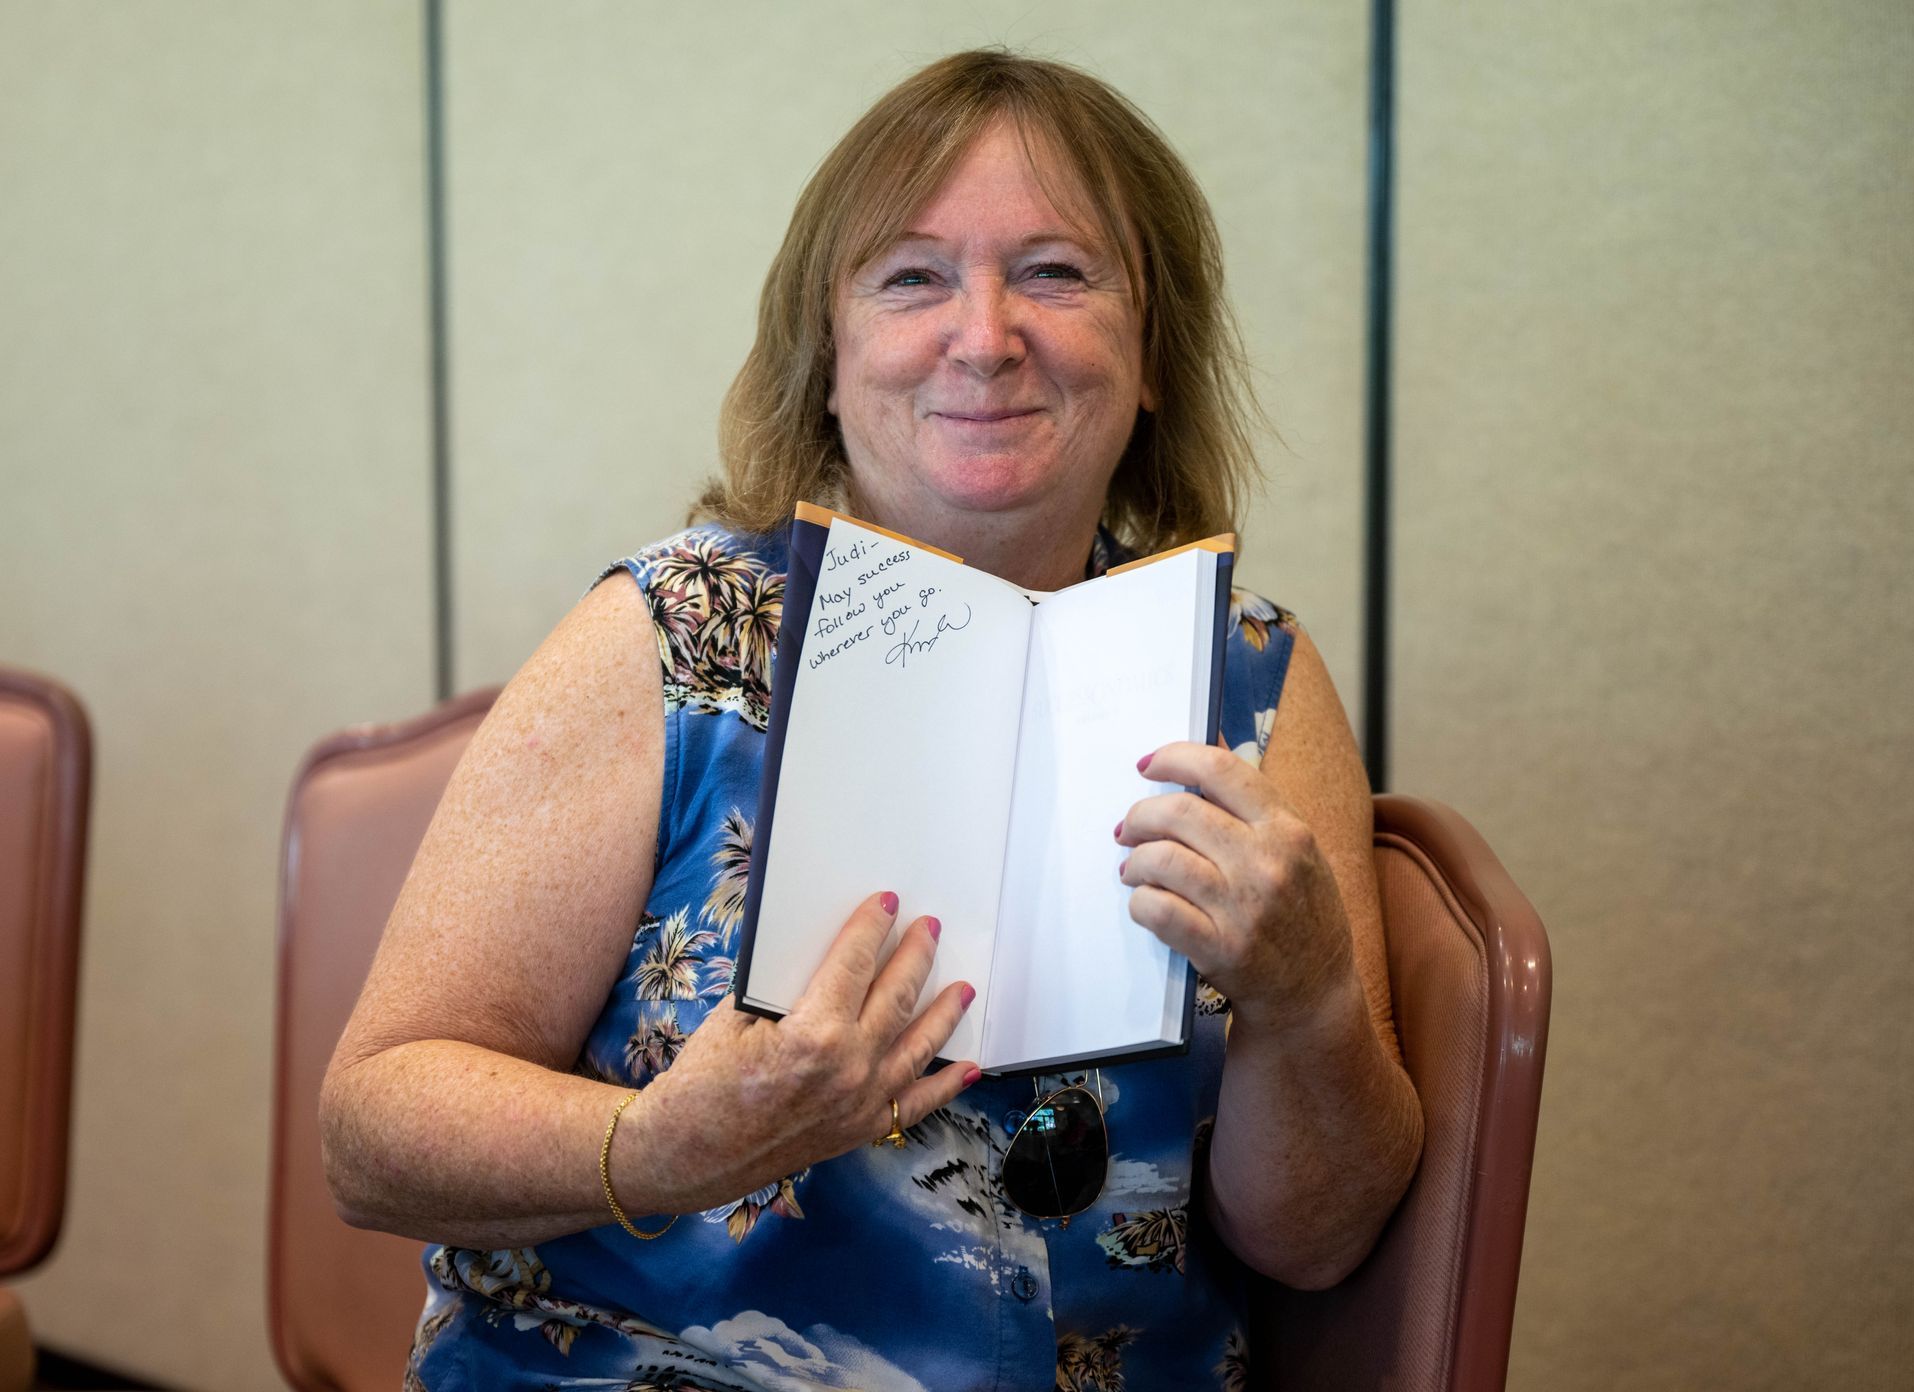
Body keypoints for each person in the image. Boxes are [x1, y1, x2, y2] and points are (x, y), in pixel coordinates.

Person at [321, 48, 1422, 1391]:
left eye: (1058, 273)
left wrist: (1308, 1004)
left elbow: (1313, 1244)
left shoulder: (1253, 678)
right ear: (828, 366)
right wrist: (658, 1149)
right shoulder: (667, 636)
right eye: (913, 278)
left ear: (1150, 360)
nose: (985, 334)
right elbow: (371, 1132)